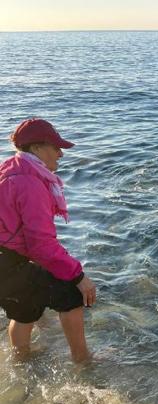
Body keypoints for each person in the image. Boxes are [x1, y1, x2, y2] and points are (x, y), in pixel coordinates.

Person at [0, 118, 96, 362]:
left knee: (24, 309)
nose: (61, 154)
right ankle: (83, 360)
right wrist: (79, 277)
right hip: (8, 263)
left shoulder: (11, 169)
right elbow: (41, 245)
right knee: (73, 294)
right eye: (55, 147)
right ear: (35, 148)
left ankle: (21, 363)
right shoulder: (30, 183)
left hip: (6, 262)